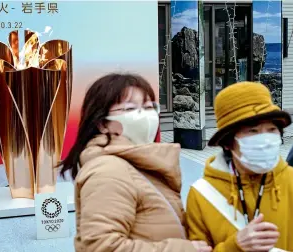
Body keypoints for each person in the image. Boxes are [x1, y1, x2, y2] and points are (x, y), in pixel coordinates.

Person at [60, 73, 212, 252]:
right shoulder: (108, 172)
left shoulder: (138, 162)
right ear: (102, 124)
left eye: (148, 107)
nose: (145, 116)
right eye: (130, 109)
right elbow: (100, 246)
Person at [186, 82, 293, 252]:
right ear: (228, 143)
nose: (265, 139)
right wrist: (235, 246)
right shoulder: (202, 194)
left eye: (272, 129)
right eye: (253, 131)